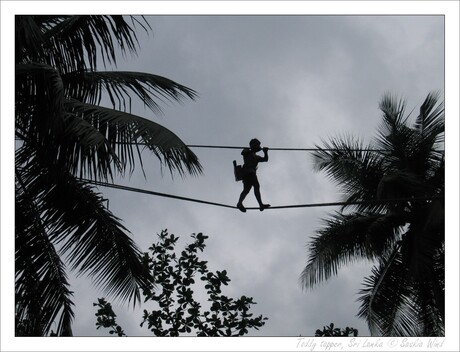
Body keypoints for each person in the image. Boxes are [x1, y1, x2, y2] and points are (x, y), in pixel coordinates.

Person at [236, 138, 271, 212]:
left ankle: (240, 203)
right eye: (257, 145)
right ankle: (259, 204)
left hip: (251, 173)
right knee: (254, 186)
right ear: (252, 145)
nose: (258, 146)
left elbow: (265, 159)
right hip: (247, 172)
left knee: (247, 189)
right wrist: (255, 149)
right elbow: (243, 152)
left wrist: (265, 152)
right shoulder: (247, 151)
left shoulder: (256, 157)